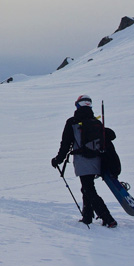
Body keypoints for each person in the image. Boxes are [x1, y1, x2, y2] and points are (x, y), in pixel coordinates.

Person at [51, 95, 117, 228]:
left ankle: (107, 218)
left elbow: (66, 143)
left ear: (77, 105)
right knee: (86, 187)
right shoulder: (96, 122)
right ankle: (87, 217)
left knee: (88, 189)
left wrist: (58, 159)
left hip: (82, 161)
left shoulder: (73, 122)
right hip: (97, 159)